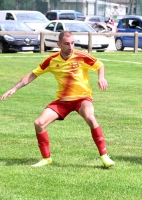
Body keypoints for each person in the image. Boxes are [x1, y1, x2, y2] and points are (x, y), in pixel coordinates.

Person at [1, 31, 115, 168]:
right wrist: (14, 88)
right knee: (39, 123)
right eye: (67, 44)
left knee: (90, 118)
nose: (70, 46)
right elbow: (32, 74)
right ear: (59, 44)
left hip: (82, 98)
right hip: (62, 100)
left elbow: (99, 65)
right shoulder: (52, 60)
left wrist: (101, 77)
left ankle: (104, 156)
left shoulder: (81, 56)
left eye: (72, 43)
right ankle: (46, 158)